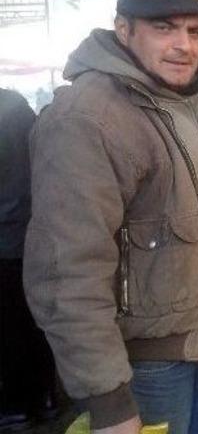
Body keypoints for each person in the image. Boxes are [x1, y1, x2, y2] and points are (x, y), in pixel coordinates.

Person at [23, 0, 198, 434]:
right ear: (124, 30)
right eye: (164, 28)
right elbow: (66, 271)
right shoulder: (89, 118)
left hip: (193, 348)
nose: (184, 44)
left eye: (194, 30)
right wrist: (109, 401)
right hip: (141, 369)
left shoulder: (180, 102)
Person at [0, 88, 57, 432]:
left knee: (7, 326)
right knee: (35, 318)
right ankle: (45, 397)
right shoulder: (19, 108)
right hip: (34, 231)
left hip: (5, 237)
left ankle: (15, 404)